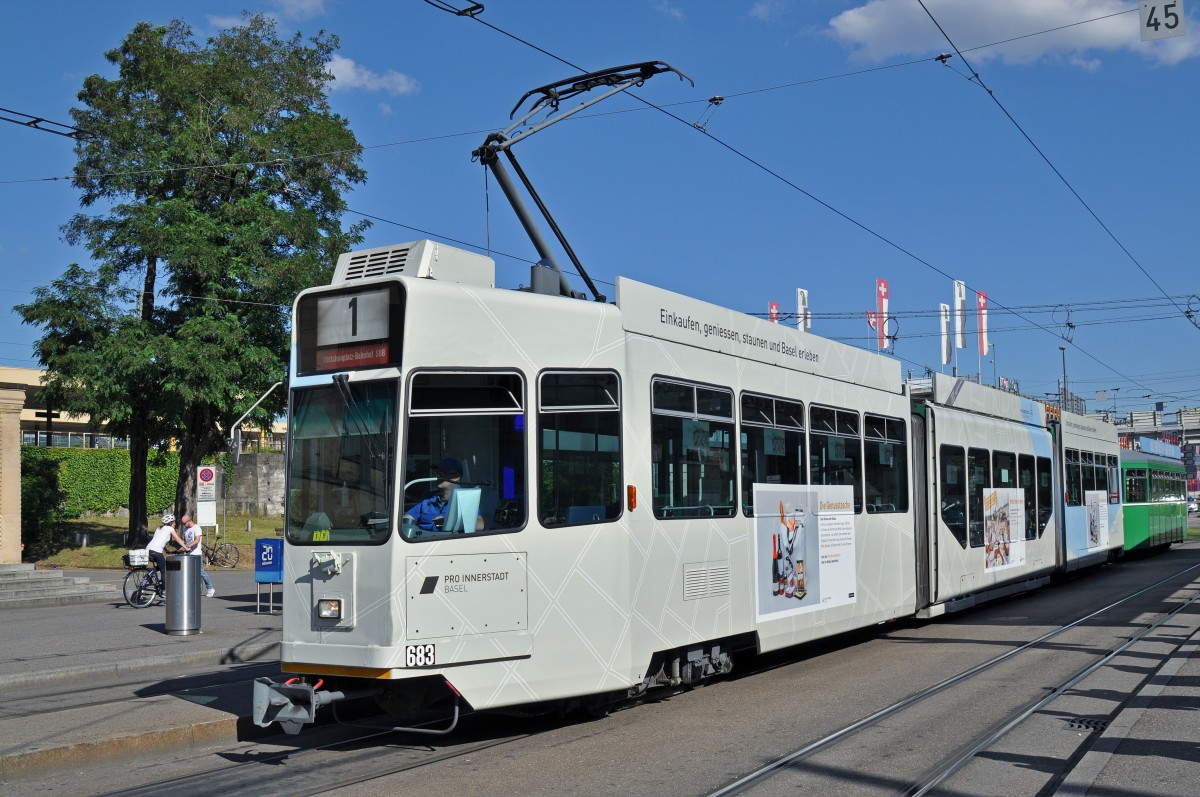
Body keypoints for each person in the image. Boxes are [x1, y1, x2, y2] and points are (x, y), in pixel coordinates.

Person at [403, 458, 485, 533]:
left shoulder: (465, 498)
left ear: (456, 477)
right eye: (438, 473)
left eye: (443, 473)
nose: (439, 475)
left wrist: (449, 523)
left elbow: (480, 524)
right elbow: (408, 518)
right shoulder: (428, 498)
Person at [146, 513, 186, 593]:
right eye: (174, 522)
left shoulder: (159, 528)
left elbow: (159, 540)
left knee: (161, 565)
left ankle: (149, 577)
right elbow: (178, 540)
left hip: (148, 549)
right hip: (156, 551)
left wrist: (166, 550)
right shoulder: (170, 529)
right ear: (170, 523)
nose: (175, 523)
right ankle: (164, 590)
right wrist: (186, 547)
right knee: (164, 570)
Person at [180, 514, 216, 597]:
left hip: (196, 554)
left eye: (184, 523)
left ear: (189, 521)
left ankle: (210, 588)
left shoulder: (196, 528)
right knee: (187, 572)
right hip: (188, 554)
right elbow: (185, 540)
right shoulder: (186, 528)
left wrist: (188, 546)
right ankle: (190, 589)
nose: (183, 525)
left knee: (201, 572)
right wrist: (183, 546)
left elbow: (197, 540)